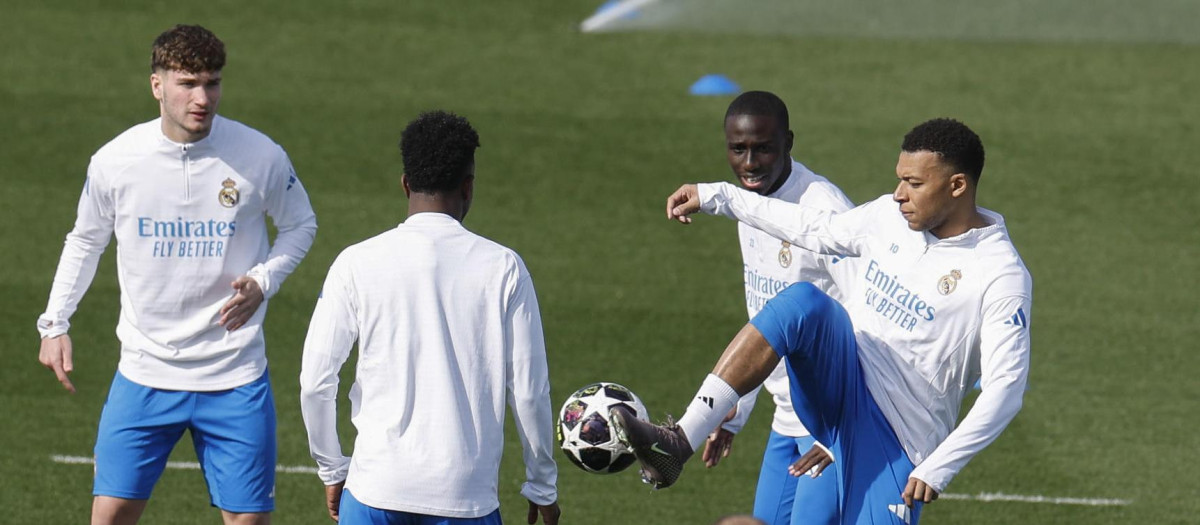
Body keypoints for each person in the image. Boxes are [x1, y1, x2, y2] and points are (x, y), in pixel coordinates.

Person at [612, 118, 1032, 524]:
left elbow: (1005, 390)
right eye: (900, 178)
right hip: (842, 381)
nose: (898, 193)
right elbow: (813, 228)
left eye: (915, 183)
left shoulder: (1000, 275)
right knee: (802, 303)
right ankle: (678, 441)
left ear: (957, 185)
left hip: (898, 439)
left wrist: (938, 468)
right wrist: (717, 196)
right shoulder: (888, 217)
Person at [35, 24, 318, 525]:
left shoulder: (260, 156)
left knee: (248, 521)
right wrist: (55, 322)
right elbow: (85, 239)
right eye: (187, 83)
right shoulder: (116, 162)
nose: (202, 98)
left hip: (234, 374)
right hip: (145, 371)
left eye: (211, 82)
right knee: (111, 516)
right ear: (157, 85)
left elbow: (300, 224)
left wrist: (263, 280)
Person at [299, 110, 560, 525]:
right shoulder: (504, 267)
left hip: (373, 494)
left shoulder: (356, 262)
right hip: (466, 501)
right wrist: (541, 485)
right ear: (468, 186)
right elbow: (529, 391)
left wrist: (332, 469)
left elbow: (315, 383)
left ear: (405, 183)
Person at [698, 91, 851, 525]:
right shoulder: (749, 204)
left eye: (763, 148)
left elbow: (868, 320)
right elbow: (763, 319)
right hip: (785, 415)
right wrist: (735, 407)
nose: (749, 163)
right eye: (738, 149)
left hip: (829, 422)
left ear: (788, 143)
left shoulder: (824, 210)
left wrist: (841, 430)